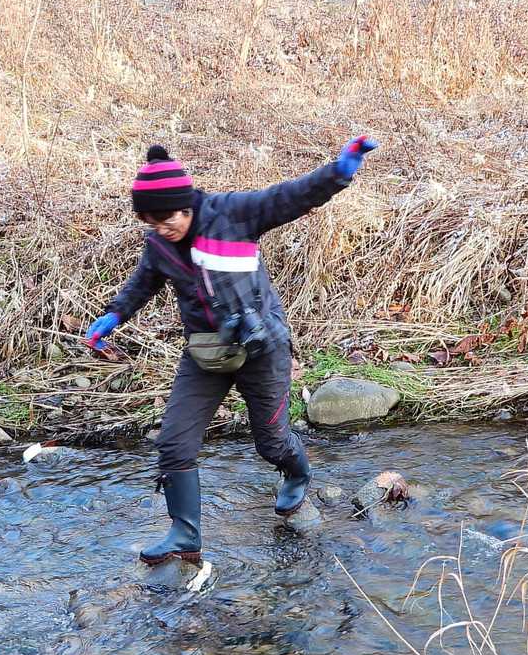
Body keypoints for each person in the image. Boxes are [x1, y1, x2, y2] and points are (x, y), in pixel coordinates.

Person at [83, 138, 378, 566]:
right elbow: (143, 282)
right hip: (206, 353)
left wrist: (337, 173)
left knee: (271, 443)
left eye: (167, 219)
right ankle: (185, 535)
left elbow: (289, 196)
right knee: (173, 443)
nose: (162, 229)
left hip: (262, 348)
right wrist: (114, 315)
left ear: (186, 205)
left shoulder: (232, 214)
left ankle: (297, 472)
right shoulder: (159, 244)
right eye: (151, 222)